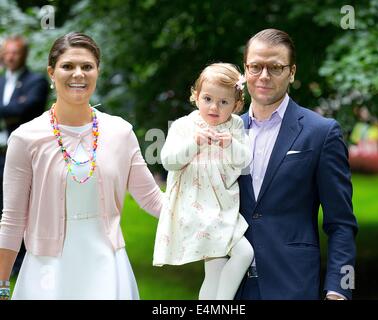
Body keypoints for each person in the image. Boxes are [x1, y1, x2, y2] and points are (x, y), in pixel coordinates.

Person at [0, 32, 163, 300]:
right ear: (52, 73)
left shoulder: (120, 132)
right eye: (68, 66)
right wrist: (3, 285)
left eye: (87, 66)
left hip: (108, 269)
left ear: (97, 71)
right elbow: (13, 219)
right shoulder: (25, 138)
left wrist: (206, 213)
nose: (79, 74)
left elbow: (154, 201)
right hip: (47, 273)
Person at [235, 29, 358, 300]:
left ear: (291, 72)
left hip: (292, 285)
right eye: (255, 66)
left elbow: (341, 223)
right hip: (231, 286)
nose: (264, 76)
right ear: (245, 70)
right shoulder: (226, 133)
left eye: (275, 67)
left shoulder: (321, 133)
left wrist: (339, 289)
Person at [153, 63, 254, 300]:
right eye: (207, 98)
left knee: (220, 266)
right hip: (196, 206)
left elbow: (244, 161)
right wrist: (194, 143)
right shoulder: (184, 126)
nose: (214, 107)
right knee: (242, 253)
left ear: (237, 105)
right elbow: (168, 161)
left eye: (223, 102)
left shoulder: (235, 126)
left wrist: (230, 144)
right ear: (196, 96)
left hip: (223, 205)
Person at [0, 35, 49, 276]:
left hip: (22, 156)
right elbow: (14, 110)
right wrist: (10, 111)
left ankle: (20, 263)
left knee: (20, 207)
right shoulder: (1, 82)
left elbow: (25, 109)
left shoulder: (36, 81)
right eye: (7, 52)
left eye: (15, 52)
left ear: (24, 55)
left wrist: (13, 110)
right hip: (0, 156)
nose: (10, 56)